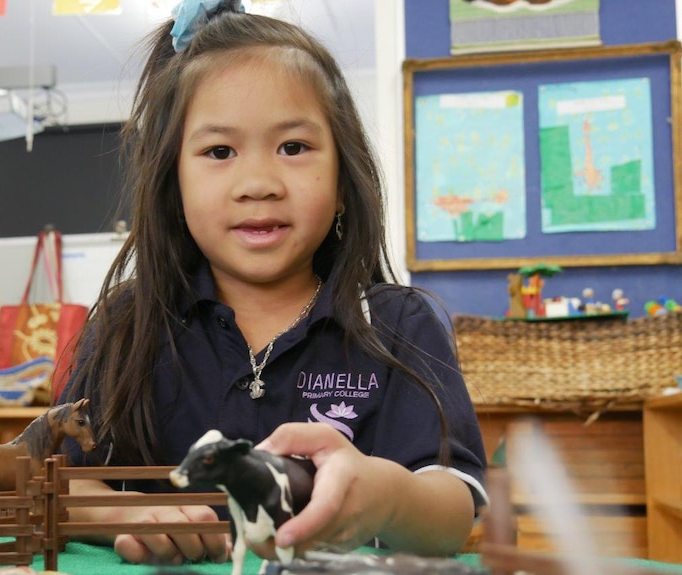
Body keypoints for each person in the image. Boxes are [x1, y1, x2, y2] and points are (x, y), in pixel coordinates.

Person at [59, 0, 488, 566]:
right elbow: (57, 484)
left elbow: (453, 513)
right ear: (172, 185)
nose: (258, 183)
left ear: (342, 179)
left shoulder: (401, 325)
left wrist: (384, 498)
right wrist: (133, 514)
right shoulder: (125, 325)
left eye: (293, 147)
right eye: (219, 151)